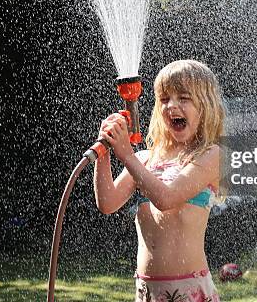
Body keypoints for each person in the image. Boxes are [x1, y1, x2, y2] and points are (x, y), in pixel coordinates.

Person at [94, 59, 225, 302]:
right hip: (147, 292)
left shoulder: (211, 155)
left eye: (184, 98)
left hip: (190, 289)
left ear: (205, 106)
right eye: (164, 99)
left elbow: (166, 198)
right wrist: (105, 152)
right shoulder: (145, 159)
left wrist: (126, 155)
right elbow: (107, 202)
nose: (172, 106)